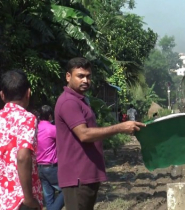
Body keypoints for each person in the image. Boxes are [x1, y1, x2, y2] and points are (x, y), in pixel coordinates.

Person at [54, 57, 145, 209]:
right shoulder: (69, 102)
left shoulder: (79, 100)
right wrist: (119, 127)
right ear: (68, 76)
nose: (85, 80)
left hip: (85, 175)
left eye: (88, 76)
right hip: (78, 177)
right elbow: (84, 134)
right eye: (80, 76)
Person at [0, 69, 43, 210]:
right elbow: (23, 156)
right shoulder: (27, 119)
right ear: (28, 93)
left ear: (2, 95)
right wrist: (29, 199)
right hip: (20, 201)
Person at [36, 105, 64, 210]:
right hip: (51, 167)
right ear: (50, 116)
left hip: (40, 168)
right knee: (66, 189)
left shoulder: (36, 129)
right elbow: (63, 143)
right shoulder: (52, 129)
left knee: (49, 198)